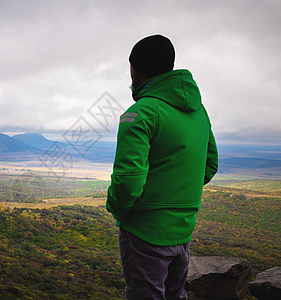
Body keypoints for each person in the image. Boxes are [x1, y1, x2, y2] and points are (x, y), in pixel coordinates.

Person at [106, 34, 218, 300]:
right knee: (175, 294)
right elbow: (210, 164)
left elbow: (127, 182)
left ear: (135, 68)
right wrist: (176, 195)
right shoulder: (198, 111)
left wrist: (118, 208)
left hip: (144, 232)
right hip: (183, 230)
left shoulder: (141, 113)